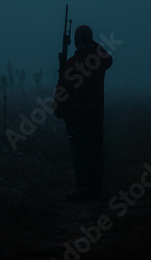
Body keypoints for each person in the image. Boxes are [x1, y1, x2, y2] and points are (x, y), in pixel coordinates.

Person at [53, 25, 113, 202]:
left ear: (77, 41)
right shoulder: (99, 59)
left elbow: (63, 88)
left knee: (80, 155)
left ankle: (82, 190)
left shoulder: (72, 62)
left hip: (76, 118)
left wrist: (58, 107)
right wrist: (92, 44)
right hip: (95, 116)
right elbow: (108, 59)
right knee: (95, 153)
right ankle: (95, 190)